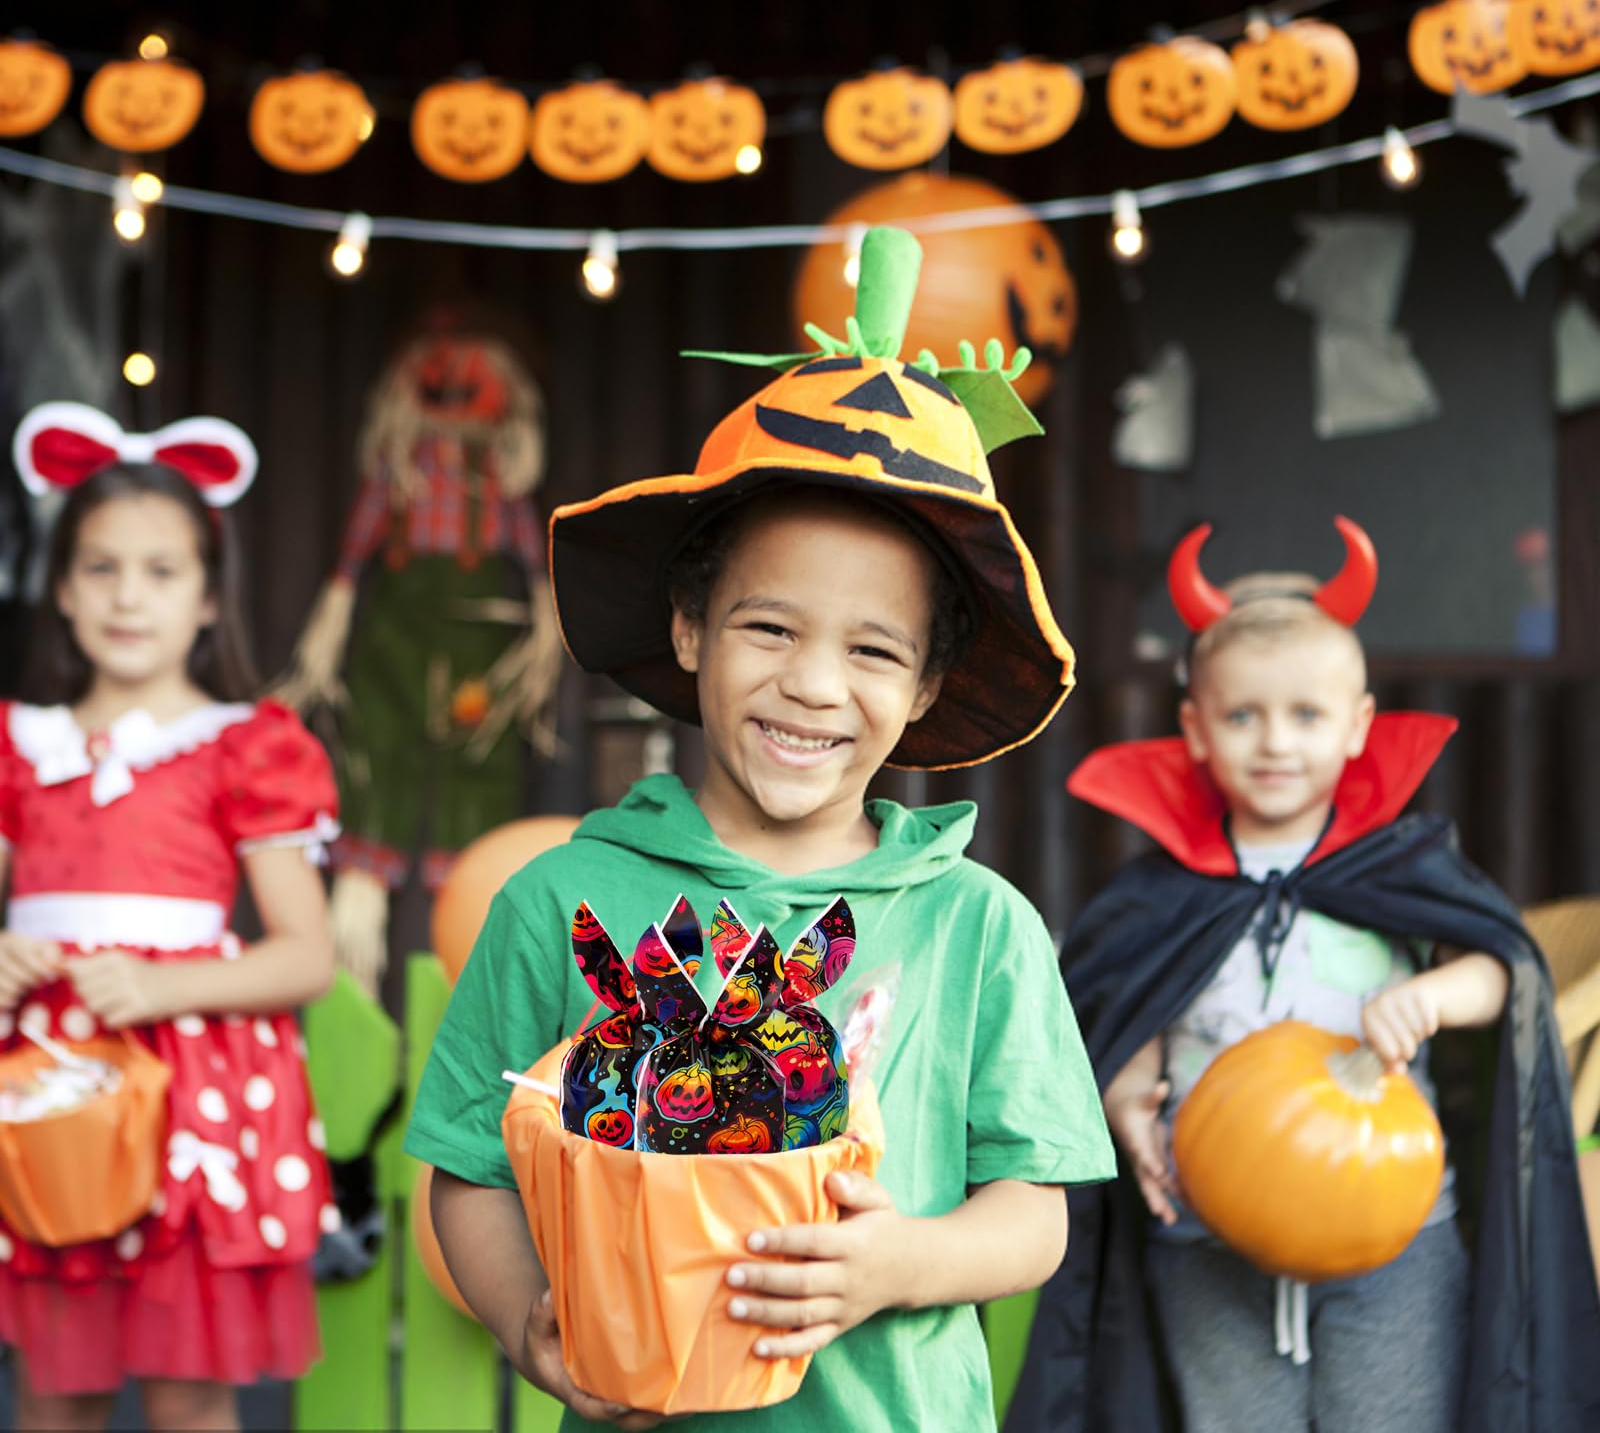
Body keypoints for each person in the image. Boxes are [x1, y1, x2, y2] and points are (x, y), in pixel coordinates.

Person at [405, 227, 1115, 1433]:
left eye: (872, 650)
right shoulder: (560, 899)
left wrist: (897, 1264)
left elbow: (1033, 1215)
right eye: (770, 628)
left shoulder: (977, 924)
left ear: (925, 686)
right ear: (691, 629)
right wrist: (529, 1320)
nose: (813, 685)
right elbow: (468, 1172)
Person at [1007, 519, 1600, 1433]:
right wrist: (1126, 1090)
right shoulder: (1162, 890)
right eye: (1243, 716)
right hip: (1209, 1229)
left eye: (1307, 716)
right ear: (1196, 729)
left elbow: (1503, 973)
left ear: (1359, 726)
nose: (1275, 743)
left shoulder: (1399, 866)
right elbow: (1128, 1011)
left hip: (1394, 1233)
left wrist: (1431, 997)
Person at [0, 403, 340, 1432]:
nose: (127, 595)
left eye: (160, 570)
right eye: (101, 568)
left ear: (206, 595)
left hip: (195, 1105)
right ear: (63, 588)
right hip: (49, 1093)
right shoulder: (19, 743)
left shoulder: (248, 745)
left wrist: (159, 984)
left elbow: (307, 956)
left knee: (190, 1398)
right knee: (56, 1392)